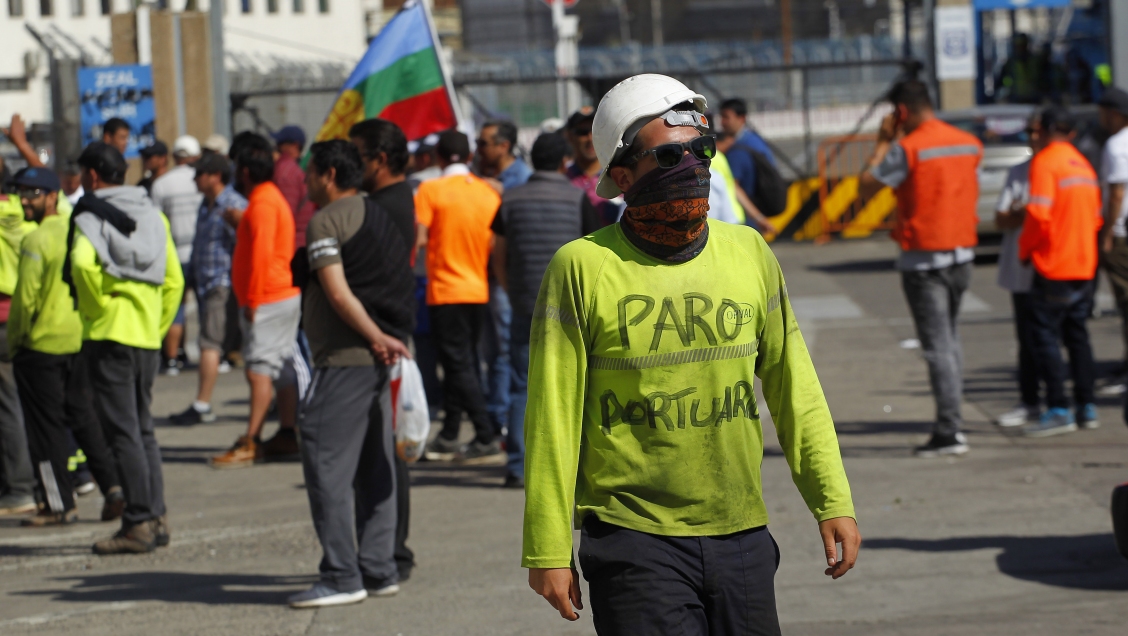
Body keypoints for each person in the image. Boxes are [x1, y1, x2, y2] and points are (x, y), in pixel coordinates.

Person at [522, 74, 859, 633]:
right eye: (670, 155)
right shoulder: (581, 268)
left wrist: (832, 499)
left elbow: (793, 386)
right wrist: (547, 545)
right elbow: (552, 420)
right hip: (633, 539)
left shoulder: (749, 252)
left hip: (740, 532)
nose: (692, 165)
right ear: (623, 175)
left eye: (702, 150)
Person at [286, 139, 415, 609]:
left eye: (310, 174)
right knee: (375, 467)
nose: (304, 182)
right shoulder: (377, 213)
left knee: (326, 469)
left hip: (346, 360)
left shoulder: (326, 220)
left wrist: (376, 338)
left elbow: (339, 294)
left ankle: (342, 574)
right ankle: (378, 569)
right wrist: (386, 339)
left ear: (329, 175)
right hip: (379, 359)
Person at [857, 79, 983, 457]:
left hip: (924, 260)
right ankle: (953, 419)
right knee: (951, 340)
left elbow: (866, 186)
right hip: (963, 254)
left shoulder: (908, 148)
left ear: (902, 112)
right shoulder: (967, 142)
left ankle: (949, 430)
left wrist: (881, 142)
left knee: (938, 346)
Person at [69, 141, 183, 554]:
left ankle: (137, 522)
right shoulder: (152, 215)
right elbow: (174, 282)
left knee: (122, 433)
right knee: (143, 429)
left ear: (93, 177)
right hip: (145, 338)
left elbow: (82, 264)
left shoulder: (91, 214)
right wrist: (156, 325)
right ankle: (156, 516)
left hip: (110, 335)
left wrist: (96, 309)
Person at [7, 166, 125, 526]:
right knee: (85, 418)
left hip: (41, 346)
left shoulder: (37, 239)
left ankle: (59, 506)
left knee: (46, 430)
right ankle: (113, 488)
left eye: (33, 194)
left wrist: (16, 341)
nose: (26, 201)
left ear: (51, 196)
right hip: (79, 340)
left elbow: (25, 302)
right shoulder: (82, 226)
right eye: (22, 194)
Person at [490, 132, 601, 489]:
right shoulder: (576, 197)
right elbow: (594, 254)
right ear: (563, 162)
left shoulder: (510, 199)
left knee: (522, 384)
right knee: (578, 381)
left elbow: (498, 253)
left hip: (525, 303)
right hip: (570, 305)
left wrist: (511, 289)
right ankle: (576, 461)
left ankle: (518, 466)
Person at [349, 118, 419, 582]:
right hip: (386, 338)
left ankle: (390, 554)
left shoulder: (382, 207)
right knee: (383, 451)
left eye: (357, 154)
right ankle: (390, 552)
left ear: (378, 158)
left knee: (382, 454)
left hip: (382, 341)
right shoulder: (392, 201)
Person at [210, 134, 302, 468]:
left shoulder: (263, 203)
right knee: (280, 368)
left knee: (260, 370)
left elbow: (262, 256)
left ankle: (252, 439)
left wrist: (252, 301)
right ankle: (287, 433)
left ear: (246, 172)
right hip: (279, 294)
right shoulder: (267, 199)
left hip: (269, 296)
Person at [415, 130, 503, 463]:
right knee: (461, 364)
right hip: (477, 289)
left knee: (458, 364)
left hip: (444, 290)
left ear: (438, 157)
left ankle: (483, 433)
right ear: (469, 157)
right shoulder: (487, 193)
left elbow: (420, 238)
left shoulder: (429, 190)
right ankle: (450, 433)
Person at [1018, 108, 1102, 437]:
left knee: (1044, 338)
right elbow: (1095, 218)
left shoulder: (1045, 162)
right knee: (1077, 336)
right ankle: (1086, 405)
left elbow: (1038, 215)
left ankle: (1058, 407)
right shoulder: (1082, 163)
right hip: (1084, 264)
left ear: (1048, 129)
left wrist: (1025, 251)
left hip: (1055, 264)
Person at [169, 153, 247, 426]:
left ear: (215, 176)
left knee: (209, 344)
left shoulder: (233, 206)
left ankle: (201, 403)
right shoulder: (207, 204)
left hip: (221, 285)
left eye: (200, 173)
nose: (194, 178)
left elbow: (246, 246)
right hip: (206, 283)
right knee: (211, 343)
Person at [476, 120, 532, 443]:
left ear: (503, 146)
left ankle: (506, 424)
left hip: (505, 281)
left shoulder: (518, 182)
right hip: (484, 274)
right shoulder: (483, 177)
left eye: (484, 143)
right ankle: (498, 416)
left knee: (507, 353)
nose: (479, 149)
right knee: (492, 351)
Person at [992, 117, 1043, 428]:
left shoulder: (1064, 169)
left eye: (1041, 130)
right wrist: (1024, 212)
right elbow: (1002, 218)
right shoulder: (1019, 172)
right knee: (1029, 340)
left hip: (1058, 269)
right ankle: (1030, 401)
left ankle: (1069, 402)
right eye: (1032, 131)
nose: (1035, 136)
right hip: (1023, 270)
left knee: (1063, 339)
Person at [0, 171, 39, 518]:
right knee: (21, 402)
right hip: (24, 312)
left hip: (3, 315)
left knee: (8, 407)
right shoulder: (23, 211)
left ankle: (19, 487)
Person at [150, 135, 204, 376]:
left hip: (173, 252)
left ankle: (171, 360)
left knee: (176, 307)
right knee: (206, 306)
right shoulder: (199, 180)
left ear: (175, 157)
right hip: (200, 251)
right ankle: (214, 355)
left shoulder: (162, 184)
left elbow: (155, 222)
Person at [1098, 87, 1128, 394]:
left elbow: (1117, 192)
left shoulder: (1116, 145)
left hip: (1122, 233)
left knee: (1125, 300)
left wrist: (1107, 233)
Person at [718, 97, 778, 226]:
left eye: (726, 117)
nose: (722, 122)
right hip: (758, 207)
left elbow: (733, 187)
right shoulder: (754, 140)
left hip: (744, 217)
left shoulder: (738, 150)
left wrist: (758, 217)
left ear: (741, 118)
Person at [565, 107, 621, 226]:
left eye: (596, 131)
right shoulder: (563, 180)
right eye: (582, 132)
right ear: (569, 137)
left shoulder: (620, 176)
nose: (590, 139)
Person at [272, 125, 317, 248]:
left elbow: (286, 214)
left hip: (293, 244)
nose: (277, 146)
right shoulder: (292, 169)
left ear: (295, 146)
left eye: (281, 143)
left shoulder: (286, 172)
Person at [997, 34, 1045, 105]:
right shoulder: (1010, 63)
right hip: (1016, 99)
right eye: (1018, 45)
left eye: (1022, 45)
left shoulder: (1036, 61)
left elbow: (1043, 79)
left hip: (1034, 99)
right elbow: (1000, 82)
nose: (1020, 48)